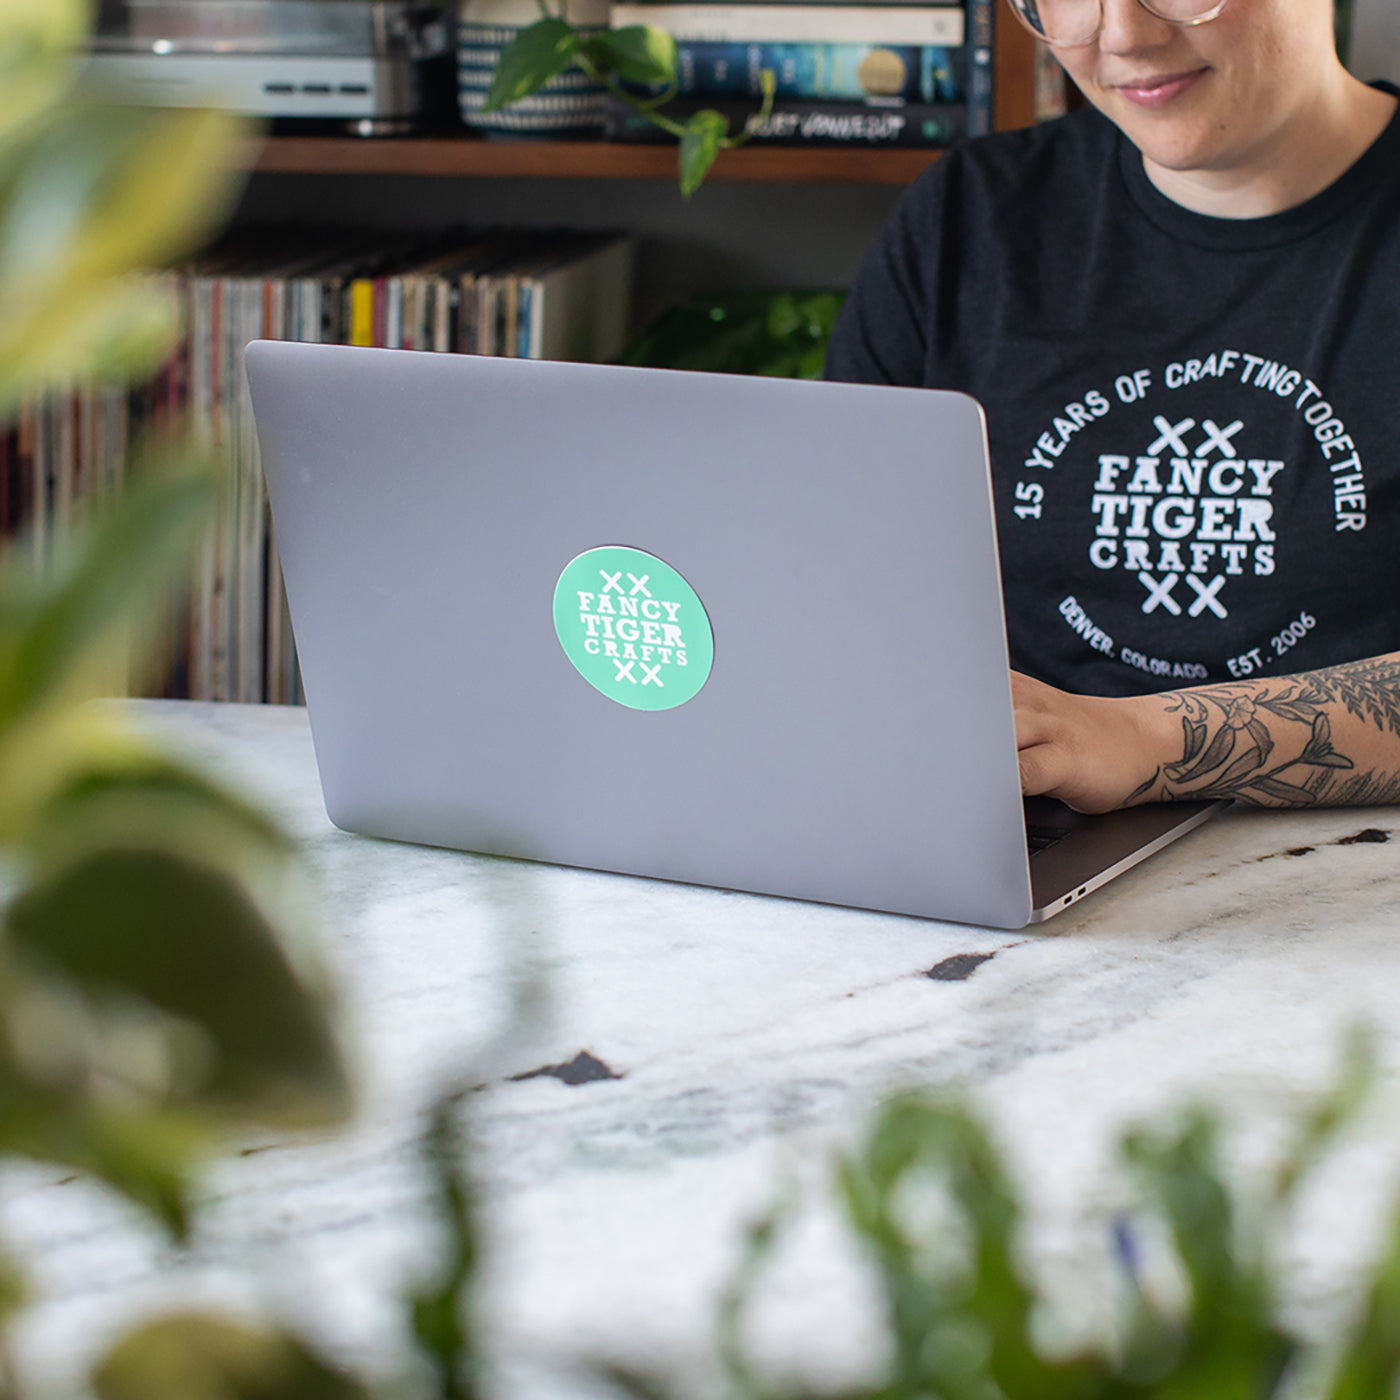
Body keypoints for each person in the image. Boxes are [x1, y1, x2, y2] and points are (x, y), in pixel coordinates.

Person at [823, 0, 1400, 815]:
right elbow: (838, 575)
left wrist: (1144, 741)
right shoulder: (972, 212)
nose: (1124, 36)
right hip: (1010, 832)